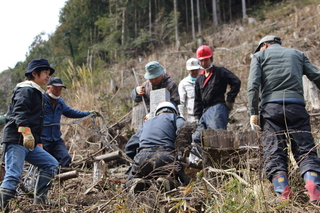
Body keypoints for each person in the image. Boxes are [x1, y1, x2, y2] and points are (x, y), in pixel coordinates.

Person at [247, 35, 320, 202]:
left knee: (274, 151)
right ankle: (313, 185)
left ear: (264, 45)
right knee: (305, 148)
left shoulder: (259, 56)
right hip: (296, 107)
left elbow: (253, 85)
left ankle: (283, 191)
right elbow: (316, 76)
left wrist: (253, 112)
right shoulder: (297, 54)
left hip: (271, 110)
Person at [0, 58, 59, 210]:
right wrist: (25, 132)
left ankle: (40, 202)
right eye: (45, 73)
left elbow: (36, 122)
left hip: (29, 142)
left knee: (51, 164)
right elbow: (20, 111)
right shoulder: (25, 89)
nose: (48, 76)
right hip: (16, 139)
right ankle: (2, 208)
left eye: (48, 73)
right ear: (34, 73)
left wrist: (38, 141)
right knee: (13, 175)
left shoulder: (36, 91)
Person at [125, 101, 190, 193]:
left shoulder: (146, 124)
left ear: (157, 113)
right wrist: (183, 152)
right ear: (174, 111)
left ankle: (136, 182)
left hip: (142, 157)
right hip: (166, 155)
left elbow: (129, 147)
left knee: (133, 178)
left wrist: (136, 160)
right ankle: (165, 182)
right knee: (179, 179)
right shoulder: (175, 118)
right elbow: (185, 130)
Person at [41, 77, 97, 167]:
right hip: (42, 139)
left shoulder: (59, 101)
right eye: (55, 89)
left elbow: (70, 112)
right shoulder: (40, 99)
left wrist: (87, 113)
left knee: (65, 158)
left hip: (56, 139)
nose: (58, 91)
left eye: (60, 89)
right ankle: (47, 178)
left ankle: (59, 178)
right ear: (48, 87)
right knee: (45, 162)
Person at [192, 45, 241, 144]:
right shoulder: (199, 78)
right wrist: (197, 116)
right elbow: (197, 99)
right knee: (197, 138)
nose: (204, 63)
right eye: (201, 60)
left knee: (216, 137)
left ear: (211, 58)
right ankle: (203, 159)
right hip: (204, 112)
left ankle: (220, 159)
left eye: (206, 60)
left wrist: (230, 99)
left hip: (217, 108)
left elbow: (236, 82)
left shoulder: (220, 72)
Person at [178, 58, 201, 122]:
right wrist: (181, 114)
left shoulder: (204, 80)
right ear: (188, 70)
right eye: (192, 70)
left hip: (204, 113)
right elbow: (181, 101)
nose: (194, 72)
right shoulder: (183, 83)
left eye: (196, 70)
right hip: (191, 116)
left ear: (199, 69)